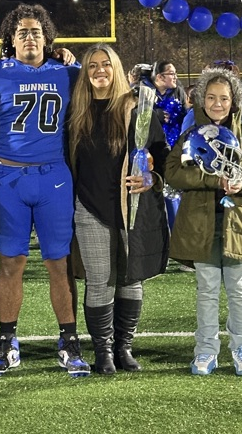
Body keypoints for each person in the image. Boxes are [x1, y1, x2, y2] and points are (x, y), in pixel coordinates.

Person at [0, 3, 89, 377]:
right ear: (10, 40)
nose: (30, 37)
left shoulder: (68, 72)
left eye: (36, 32)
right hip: (8, 179)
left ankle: (69, 340)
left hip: (54, 178)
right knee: (10, 263)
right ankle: (7, 341)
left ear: (48, 38)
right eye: (22, 32)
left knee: (59, 263)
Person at [165, 66, 242, 377]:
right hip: (201, 225)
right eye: (210, 97)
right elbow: (173, 173)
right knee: (208, 288)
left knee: (238, 288)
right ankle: (206, 350)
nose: (217, 104)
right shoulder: (190, 135)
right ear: (201, 99)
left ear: (233, 100)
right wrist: (212, 179)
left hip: (237, 224)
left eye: (223, 98)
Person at [68, 44, 169, 374]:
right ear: (85, 73)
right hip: (89, 206)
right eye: (93, 65)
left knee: (130, 278)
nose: (99, 70)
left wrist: (151, 177)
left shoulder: (136, 109)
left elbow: (161, 155)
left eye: (106, 65)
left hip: (131, 205)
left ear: (116, 69)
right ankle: (103, 352)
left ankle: (124, 348)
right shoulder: (75, 112)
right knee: (100, 280)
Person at [151, 61, 189, 150]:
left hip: (175, 145)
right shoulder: (146, 93)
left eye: (175, 73)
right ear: (159, 77)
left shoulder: (179, 92)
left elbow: (185, 115)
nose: (176, 77)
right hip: (153, 147)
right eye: (172, 74)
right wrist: (155, 115)